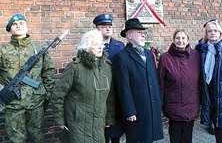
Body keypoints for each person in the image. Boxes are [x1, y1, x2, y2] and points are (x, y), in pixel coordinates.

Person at [51, 29, 115, 142]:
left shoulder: (107, 67)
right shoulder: (75, 68)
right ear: (86, 47)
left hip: (99, 122)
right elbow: (58, 95)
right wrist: (60, 120)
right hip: (78, 123)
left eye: (101, 44)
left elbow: (110, 96)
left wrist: (109, 118)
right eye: (95, 44)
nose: (100, 47)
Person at [0, 14, 55, 142]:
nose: (18, 25)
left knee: (37, 137)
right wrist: (1, 90)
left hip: (36, 103)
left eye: (21, 23)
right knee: (16, 140)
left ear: (27, 27)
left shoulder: (38, 49)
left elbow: (48, 74)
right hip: (12, 105)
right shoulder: (3, 50)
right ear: (9, 29)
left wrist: (46, 95)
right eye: (14, 24)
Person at [113, 18, 164, 143]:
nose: (143, 35)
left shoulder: (148, 54)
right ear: (129, 35)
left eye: (143, 32)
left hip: (151, 105)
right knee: (137, 139)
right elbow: (123, 87)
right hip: (136, 109)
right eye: (139, 32)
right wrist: (129, 111)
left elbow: (154, 80)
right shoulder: (122, 57)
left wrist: (158, 102)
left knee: (150, 139)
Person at [158, 29, 200, 143]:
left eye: (183, 38)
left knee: (187, 137)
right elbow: (160, 83)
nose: (180, 40)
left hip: (191, 105)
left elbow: (200, 80)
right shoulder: (165, 58)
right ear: (173, 40)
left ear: (187, 41)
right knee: (175, 137)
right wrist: (160, 104)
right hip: (173, 106)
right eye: (177, 38)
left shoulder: (196, 56)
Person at [93, 13, 125, 143]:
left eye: (110, 26)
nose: (108, 29)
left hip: (116, 90)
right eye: (103, 26)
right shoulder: (92, 46)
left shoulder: (120, 46)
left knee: (116, 124)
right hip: (100, 89)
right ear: (97, 29)